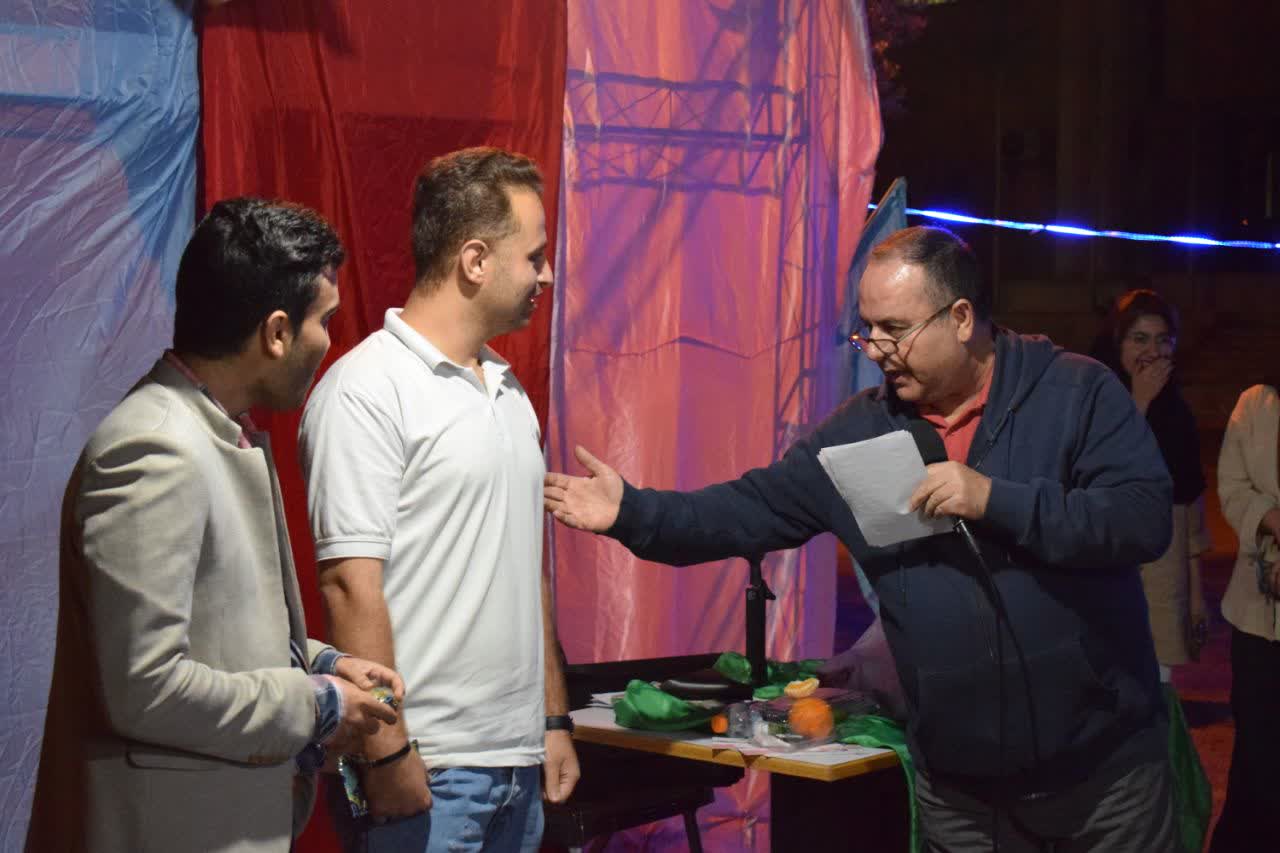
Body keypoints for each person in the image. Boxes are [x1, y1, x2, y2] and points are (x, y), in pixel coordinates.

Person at [546, 226, 1178, 851]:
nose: (875, 349)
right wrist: (633, 513)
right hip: (960, 792)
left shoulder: (1075, 392)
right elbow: (746, 508)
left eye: (894, 329)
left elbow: (1141, 518)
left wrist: (995, 499)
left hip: (1105, 780)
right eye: (867, 329)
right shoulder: (860, 433)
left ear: (961, 318)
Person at [25, 198, 404, 853]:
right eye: (325, 321)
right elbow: (145, 688)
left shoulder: (211, 432)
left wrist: (325, 661)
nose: (328, 341)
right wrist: (318, 704)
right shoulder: (155, 449)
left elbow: (217, 627)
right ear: (277, 332)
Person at [300, 147, 579, 853]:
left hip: (517, 766)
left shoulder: (509, 390)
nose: (547, 274)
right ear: (475, 260)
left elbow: (527, 570)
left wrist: (551, 721)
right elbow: (348, 584)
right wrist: (387, 752)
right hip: (429, 768)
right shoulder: (366, 389)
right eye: (534, 256)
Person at [1090, 289, 1209, 680]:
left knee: (1159, 684)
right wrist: (1138, 402)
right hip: (1112, 568)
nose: (1153, 351)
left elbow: (1189, 502)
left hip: (1164, 575)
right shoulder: (1094, 399)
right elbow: (1101, 473)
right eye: (1139, 339)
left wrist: (1196, 596)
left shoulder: (1177, 410)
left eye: (1163, 340)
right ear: (1118, 342)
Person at [1209, 380, 1280, 851]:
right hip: (1256, 615)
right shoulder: (1257, 403)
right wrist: (1273, 521)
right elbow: (1232, 487)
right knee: (1256, 755)